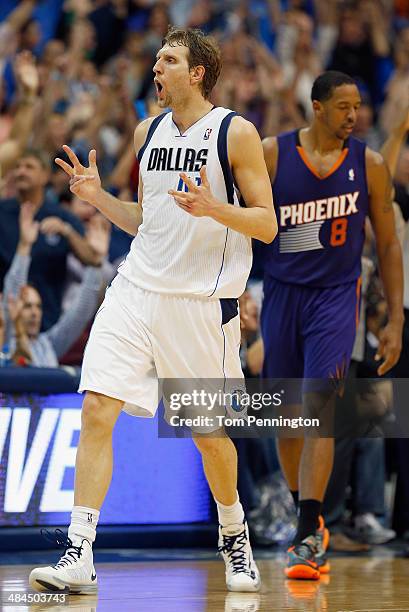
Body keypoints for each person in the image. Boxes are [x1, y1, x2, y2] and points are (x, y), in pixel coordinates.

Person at [29, 26, 277, 594]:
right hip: (136, 288)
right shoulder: (148, 131)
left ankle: (234, 533)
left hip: (200, 303)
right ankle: (80, 552)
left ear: (197, 73)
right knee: (96, 408)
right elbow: (147, 221)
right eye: (157, 58)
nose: (156, 69)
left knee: (209, 436)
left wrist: (216, 208)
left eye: (169, 60)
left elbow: (266, 224)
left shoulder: (236, 134)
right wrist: (98, 199)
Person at [261, 71, 403, 580]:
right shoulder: (272, 154)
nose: (354, 116)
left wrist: (394, 320)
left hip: (338, 298)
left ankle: (304, 534)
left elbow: (387, 244)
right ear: (317, 107)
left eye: (358, 106)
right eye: (343, 106)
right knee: (284, 413)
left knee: (319, 404)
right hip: (280, 292)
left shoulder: (370, 164)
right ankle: (311, 512)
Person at [0, 149, 100, 329]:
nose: (21, 172)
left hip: (47, 321)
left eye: (29, 167)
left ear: (45, 176)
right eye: (18, 167)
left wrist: (67, 232)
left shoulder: (61, 216)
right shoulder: (1, 211)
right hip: (5, 319)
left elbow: (92, 259)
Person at [2, 202, 107, 367]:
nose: (35, 313)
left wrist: (96, 262)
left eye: (38, 307)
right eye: (27, 306)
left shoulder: (49, 344)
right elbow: (13, 291)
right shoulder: (6, 340)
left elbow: (79, 313)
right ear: (13, 307)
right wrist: (24, 246)